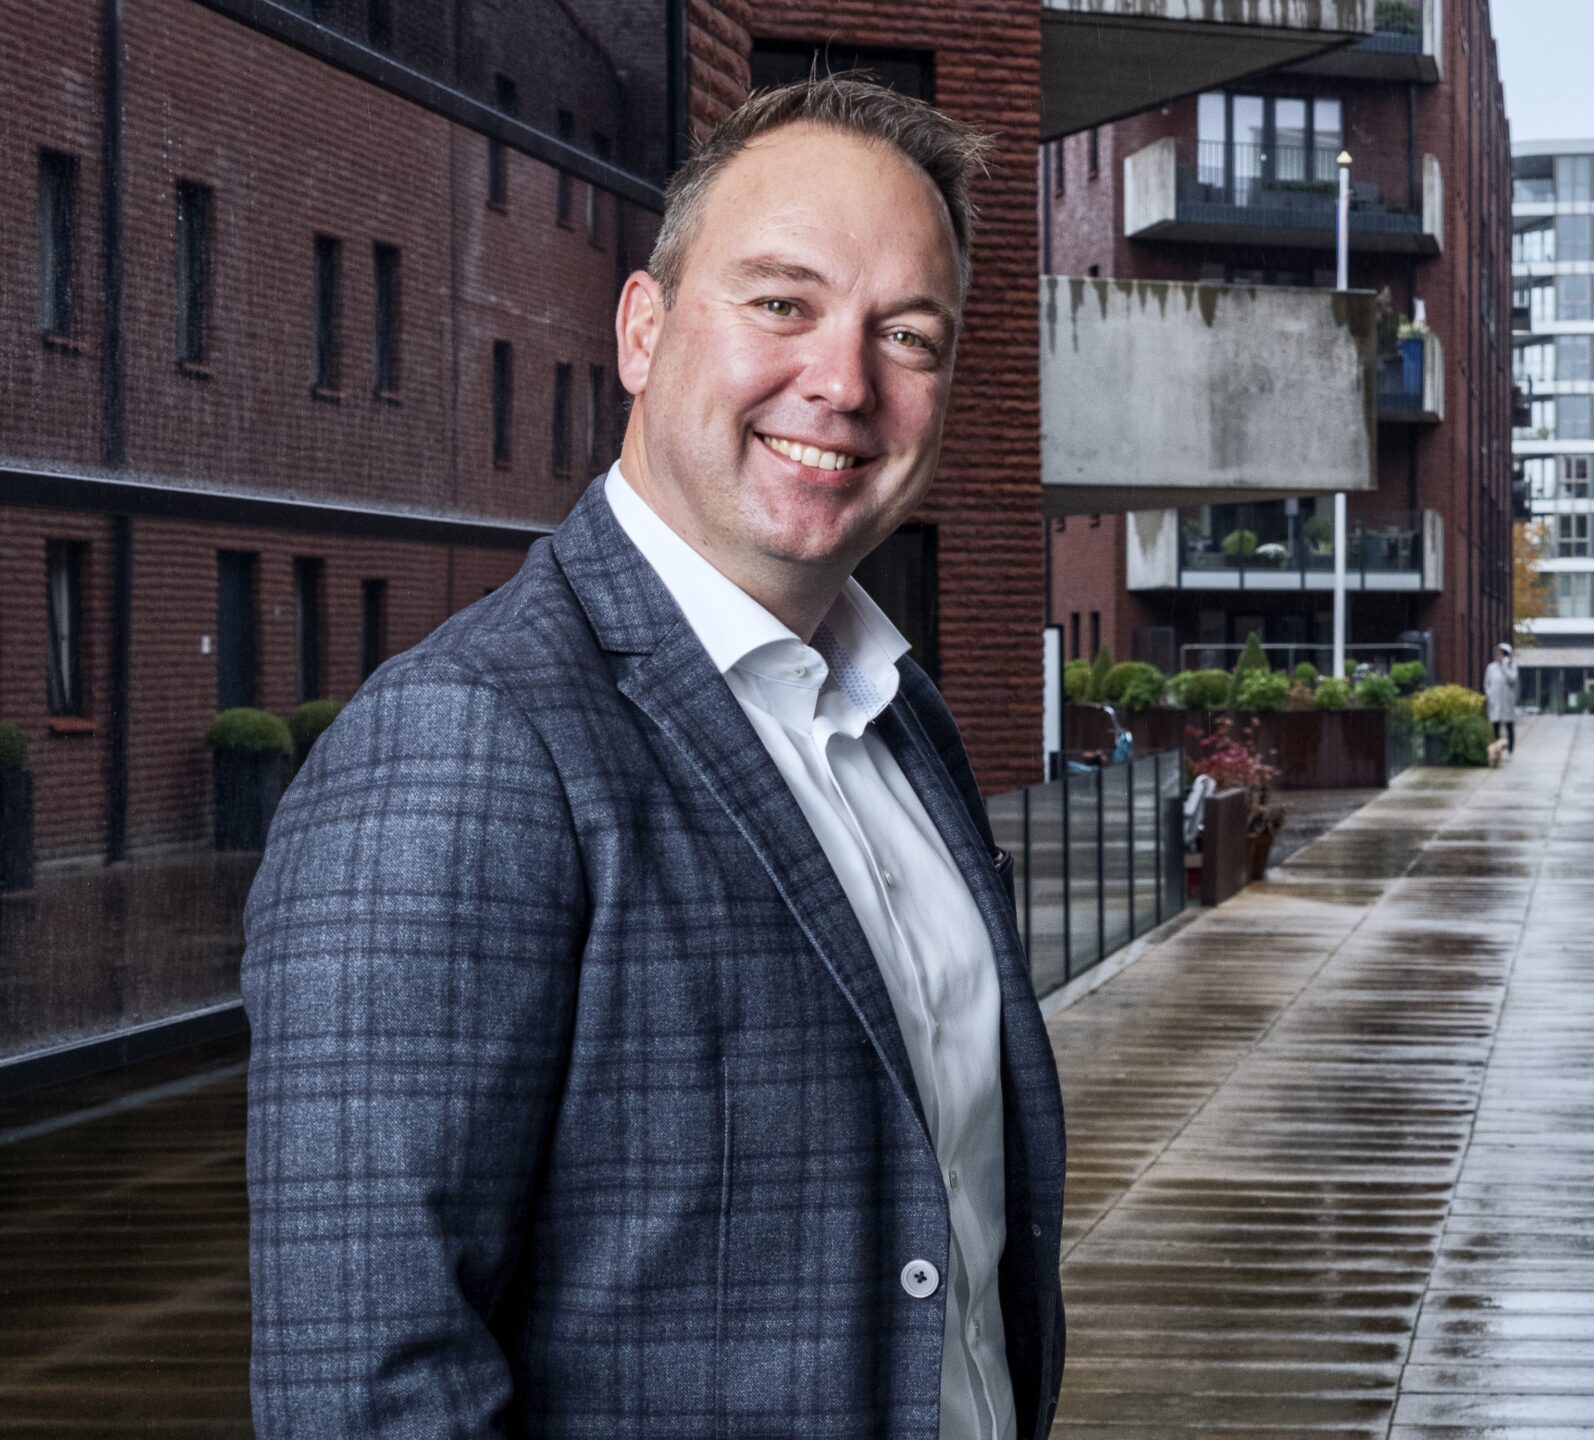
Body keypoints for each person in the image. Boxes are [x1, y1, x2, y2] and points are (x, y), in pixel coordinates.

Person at [242, 76, 1066, 1439]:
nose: (843, 382)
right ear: (641, 329)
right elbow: (369, 1381)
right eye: (781, 303)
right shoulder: (469, 741)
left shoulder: (901, 716)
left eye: (907, 336)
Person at [1483, 642, 1519, 754]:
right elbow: (1487, 683)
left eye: (1501, 654)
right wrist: (1490, 694)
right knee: (1495, 727)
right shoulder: (1491, 667)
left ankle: (1510, 750)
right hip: (1495, 701)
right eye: (1497, 653)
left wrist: (1504, 666)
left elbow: (1512, 679)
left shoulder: (1512, 667)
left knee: (1509, 726)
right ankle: (1497, 750)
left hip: (1507, 701)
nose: (1499, 656)